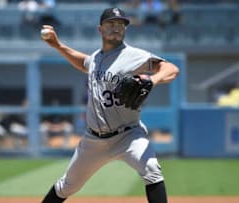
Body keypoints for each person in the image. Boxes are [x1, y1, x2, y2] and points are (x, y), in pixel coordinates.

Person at [40, 7, 179, 203]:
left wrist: (153, 80)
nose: (117, 28)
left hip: (128, 135)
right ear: (100, 29)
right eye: (111, 24)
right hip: (93, 140)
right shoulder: (96, 58)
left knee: (152, 170)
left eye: (121, 24)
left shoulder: (134, 56)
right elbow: (84, 63)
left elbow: (172, 69)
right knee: (66, 187)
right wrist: (58, 45)